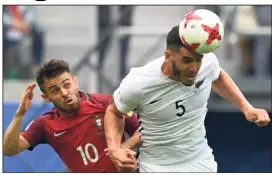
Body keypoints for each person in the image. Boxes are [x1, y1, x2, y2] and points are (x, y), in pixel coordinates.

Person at [103, 25, 271, 172]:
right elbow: (114, 111)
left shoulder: (207, 62)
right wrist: (114, 148)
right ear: (168, 56)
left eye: (198, 60)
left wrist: (247, 108)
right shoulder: (138, 82)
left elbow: (217, 75)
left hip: (201, 162)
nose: (195, 68)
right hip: (157, 167)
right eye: (186, 60)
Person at [3, 59, 139, 173]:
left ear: (75, 82)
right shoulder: (45, 124)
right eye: (55, 90)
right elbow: (8, 149)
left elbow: (144, 130)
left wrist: (121, 149)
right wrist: (19, 114)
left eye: (67, 85)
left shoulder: (105, 103)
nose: (64, 93)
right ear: (47, 98)